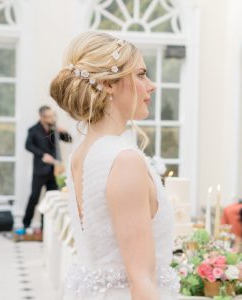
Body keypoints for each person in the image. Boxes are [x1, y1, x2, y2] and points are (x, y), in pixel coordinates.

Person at [50, 32, 179, 300]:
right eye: (141, 74)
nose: (151, 85)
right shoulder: (124, 159)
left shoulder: (82, 153)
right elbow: (140, 278)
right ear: (109, 83)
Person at [22, 106, 72, 229]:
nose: (52, 119)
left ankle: (45, 227)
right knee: (34, 197)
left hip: (54, 171)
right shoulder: (33, 130)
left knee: (51, 199)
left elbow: (69, 140)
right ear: (42, 117)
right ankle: (26, 223)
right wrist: (42, 154)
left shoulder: (54, 130)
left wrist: (64, 132)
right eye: (49, 116)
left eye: (52, 116)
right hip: (40, 170)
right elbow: (28, 146)